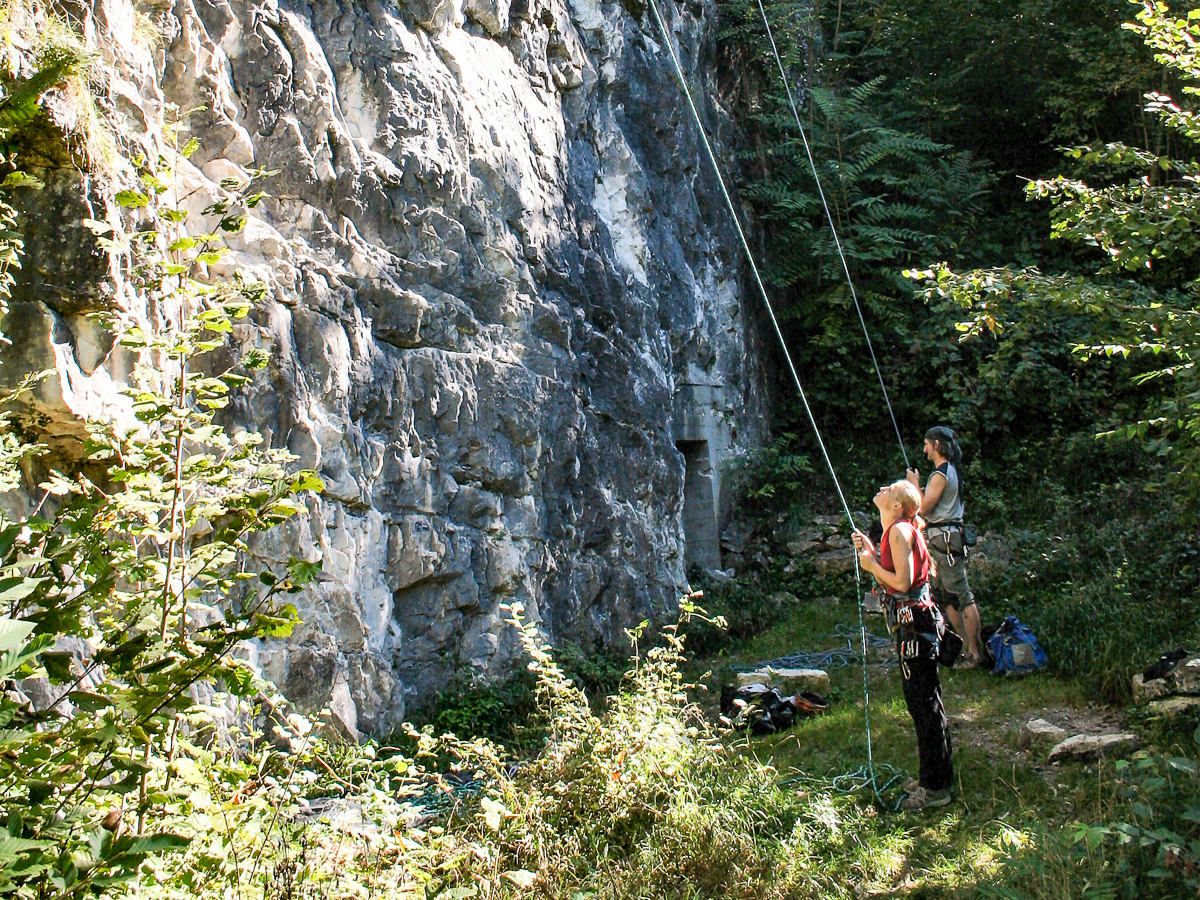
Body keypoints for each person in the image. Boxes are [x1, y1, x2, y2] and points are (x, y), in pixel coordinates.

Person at [853, 480, 953, 810]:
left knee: (923, 704)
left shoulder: (898, 531)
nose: (881, 487)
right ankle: (934, 777)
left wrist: (870, 565)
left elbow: (901, 582)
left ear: (897, 505)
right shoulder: (897, 530)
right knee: (925, 701)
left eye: (889, 488)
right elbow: (896, 570)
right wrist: (873, 552)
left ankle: (935, 789)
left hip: (914, 626)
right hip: (916, 623)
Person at [907, 426, 982, 668]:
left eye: (927, 444)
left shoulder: (941, 474)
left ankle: (975, 653)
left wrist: (914, 485)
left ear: (938, 444)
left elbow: (924, 507)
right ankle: (961, 650)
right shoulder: (949, 472)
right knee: (946, 599)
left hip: (945, 541)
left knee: (962, 596)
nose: (924, 449)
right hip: (943, 539)